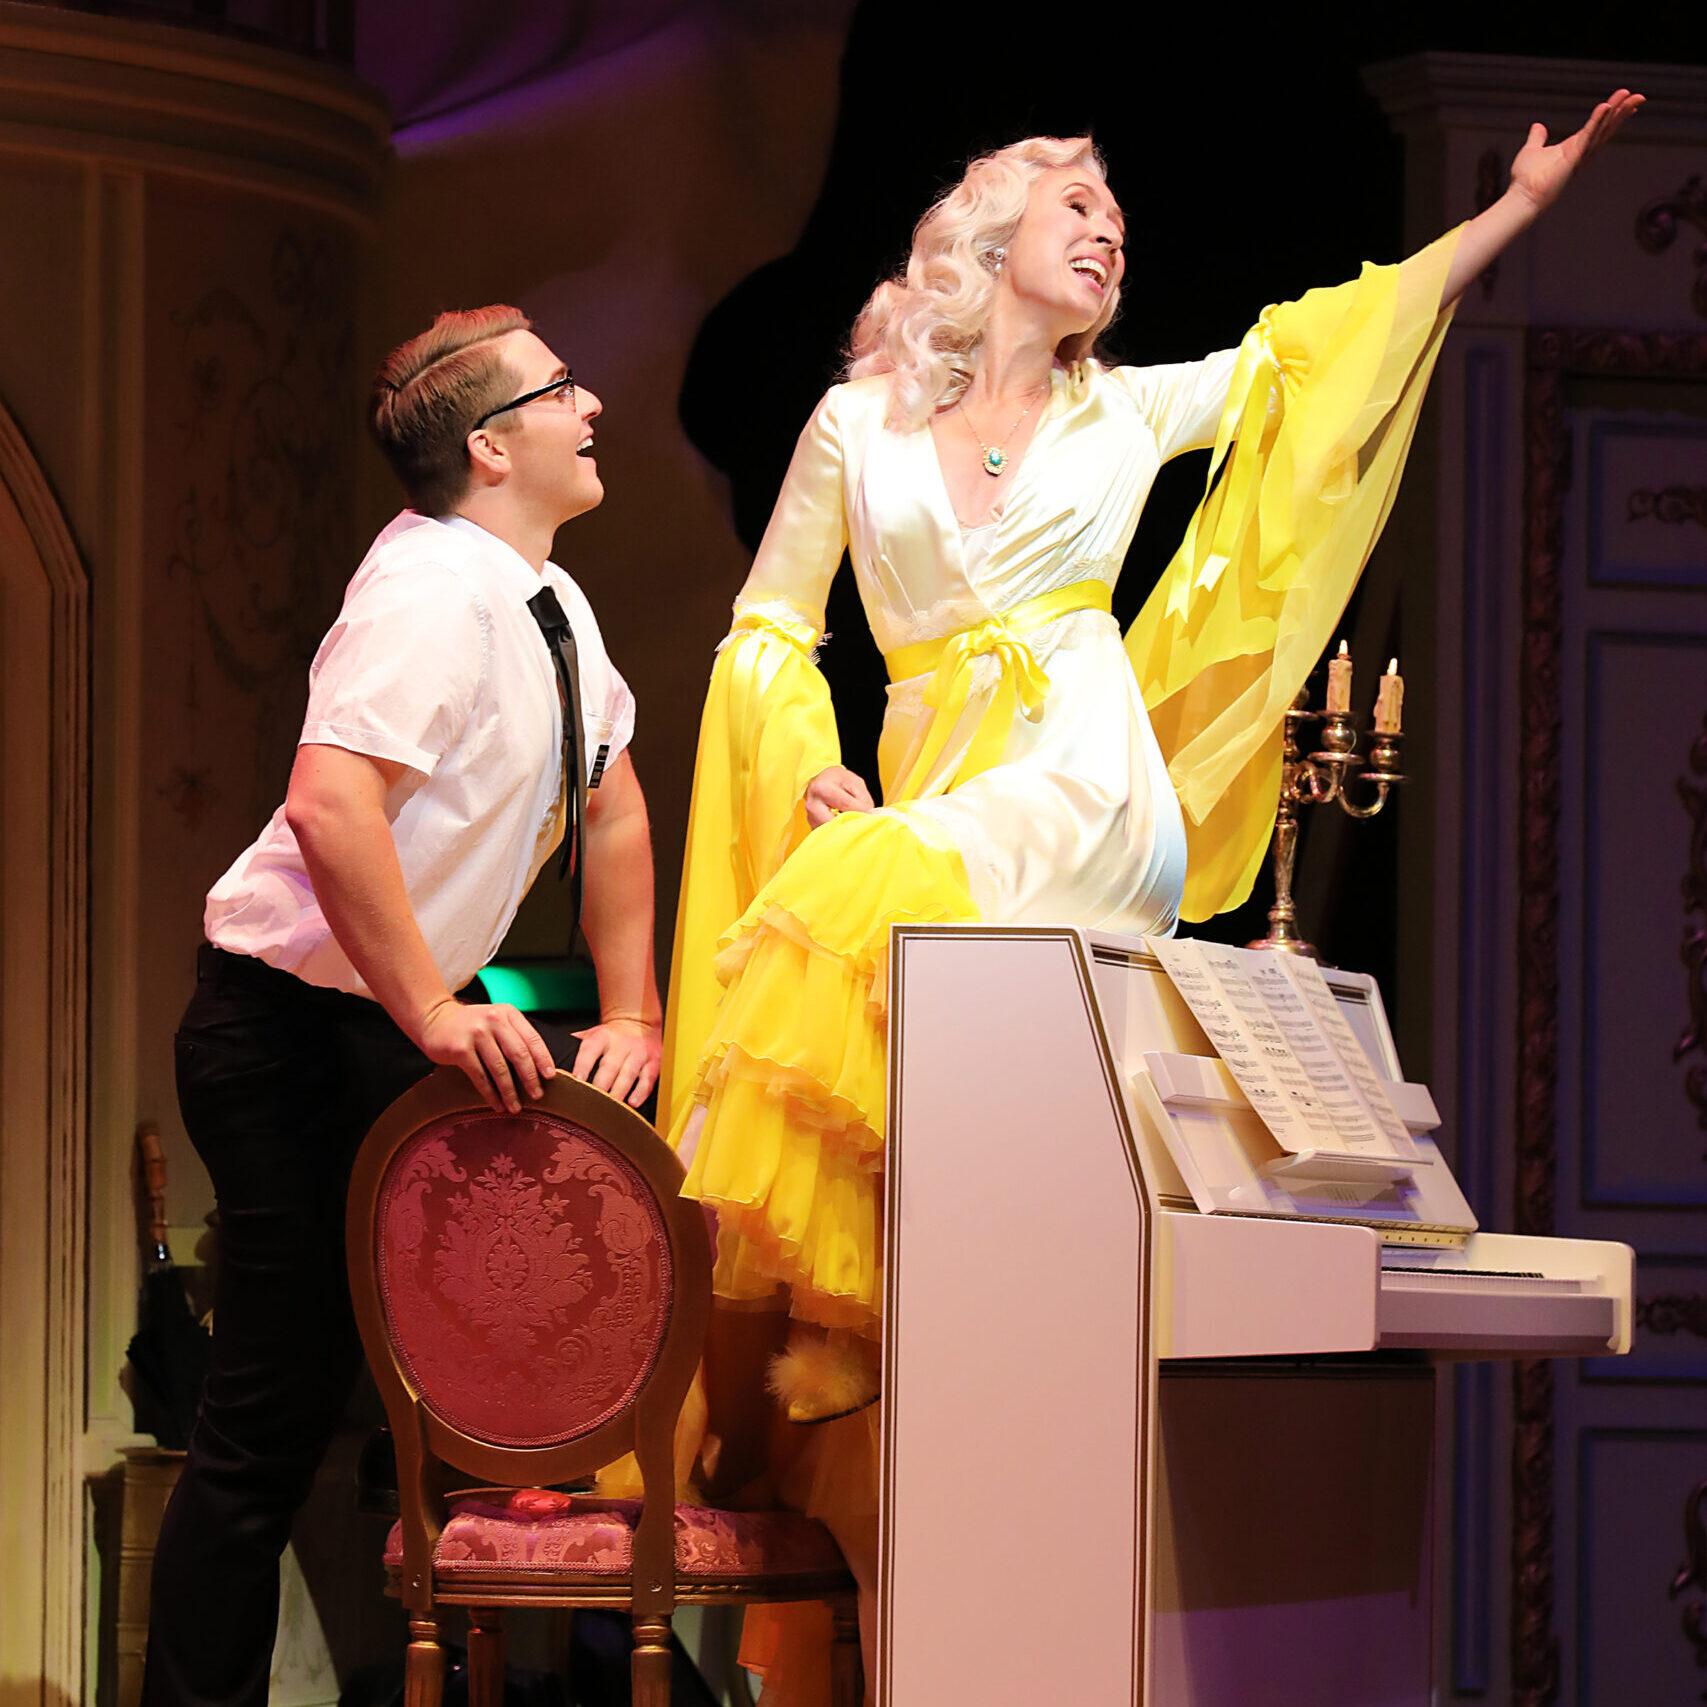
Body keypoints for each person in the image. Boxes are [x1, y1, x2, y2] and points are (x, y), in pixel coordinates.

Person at [660, 93, 1641, 1701]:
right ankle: (897, 1465)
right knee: (884, 978)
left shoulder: (1132, 416)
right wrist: (811, 769)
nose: (1110, 237)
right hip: (930, 789)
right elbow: (772, 625)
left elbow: (1329, 346)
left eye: (1120, 224)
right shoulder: (858, 425)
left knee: (883, 882)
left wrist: (1513, 212)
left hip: (1085, 785)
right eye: (1077, 214)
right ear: (986, 249)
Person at [141, 305, 663, 1707]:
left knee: (484, 1327)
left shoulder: (547, 595)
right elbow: (329, 801)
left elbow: (609, 799)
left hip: (370, 1022)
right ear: (492, 446)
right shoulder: (431, 585)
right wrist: (435, 1007)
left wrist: (635, 1014)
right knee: (268, 1419)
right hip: (288, 1031)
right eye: (565, 387)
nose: (593, 402)